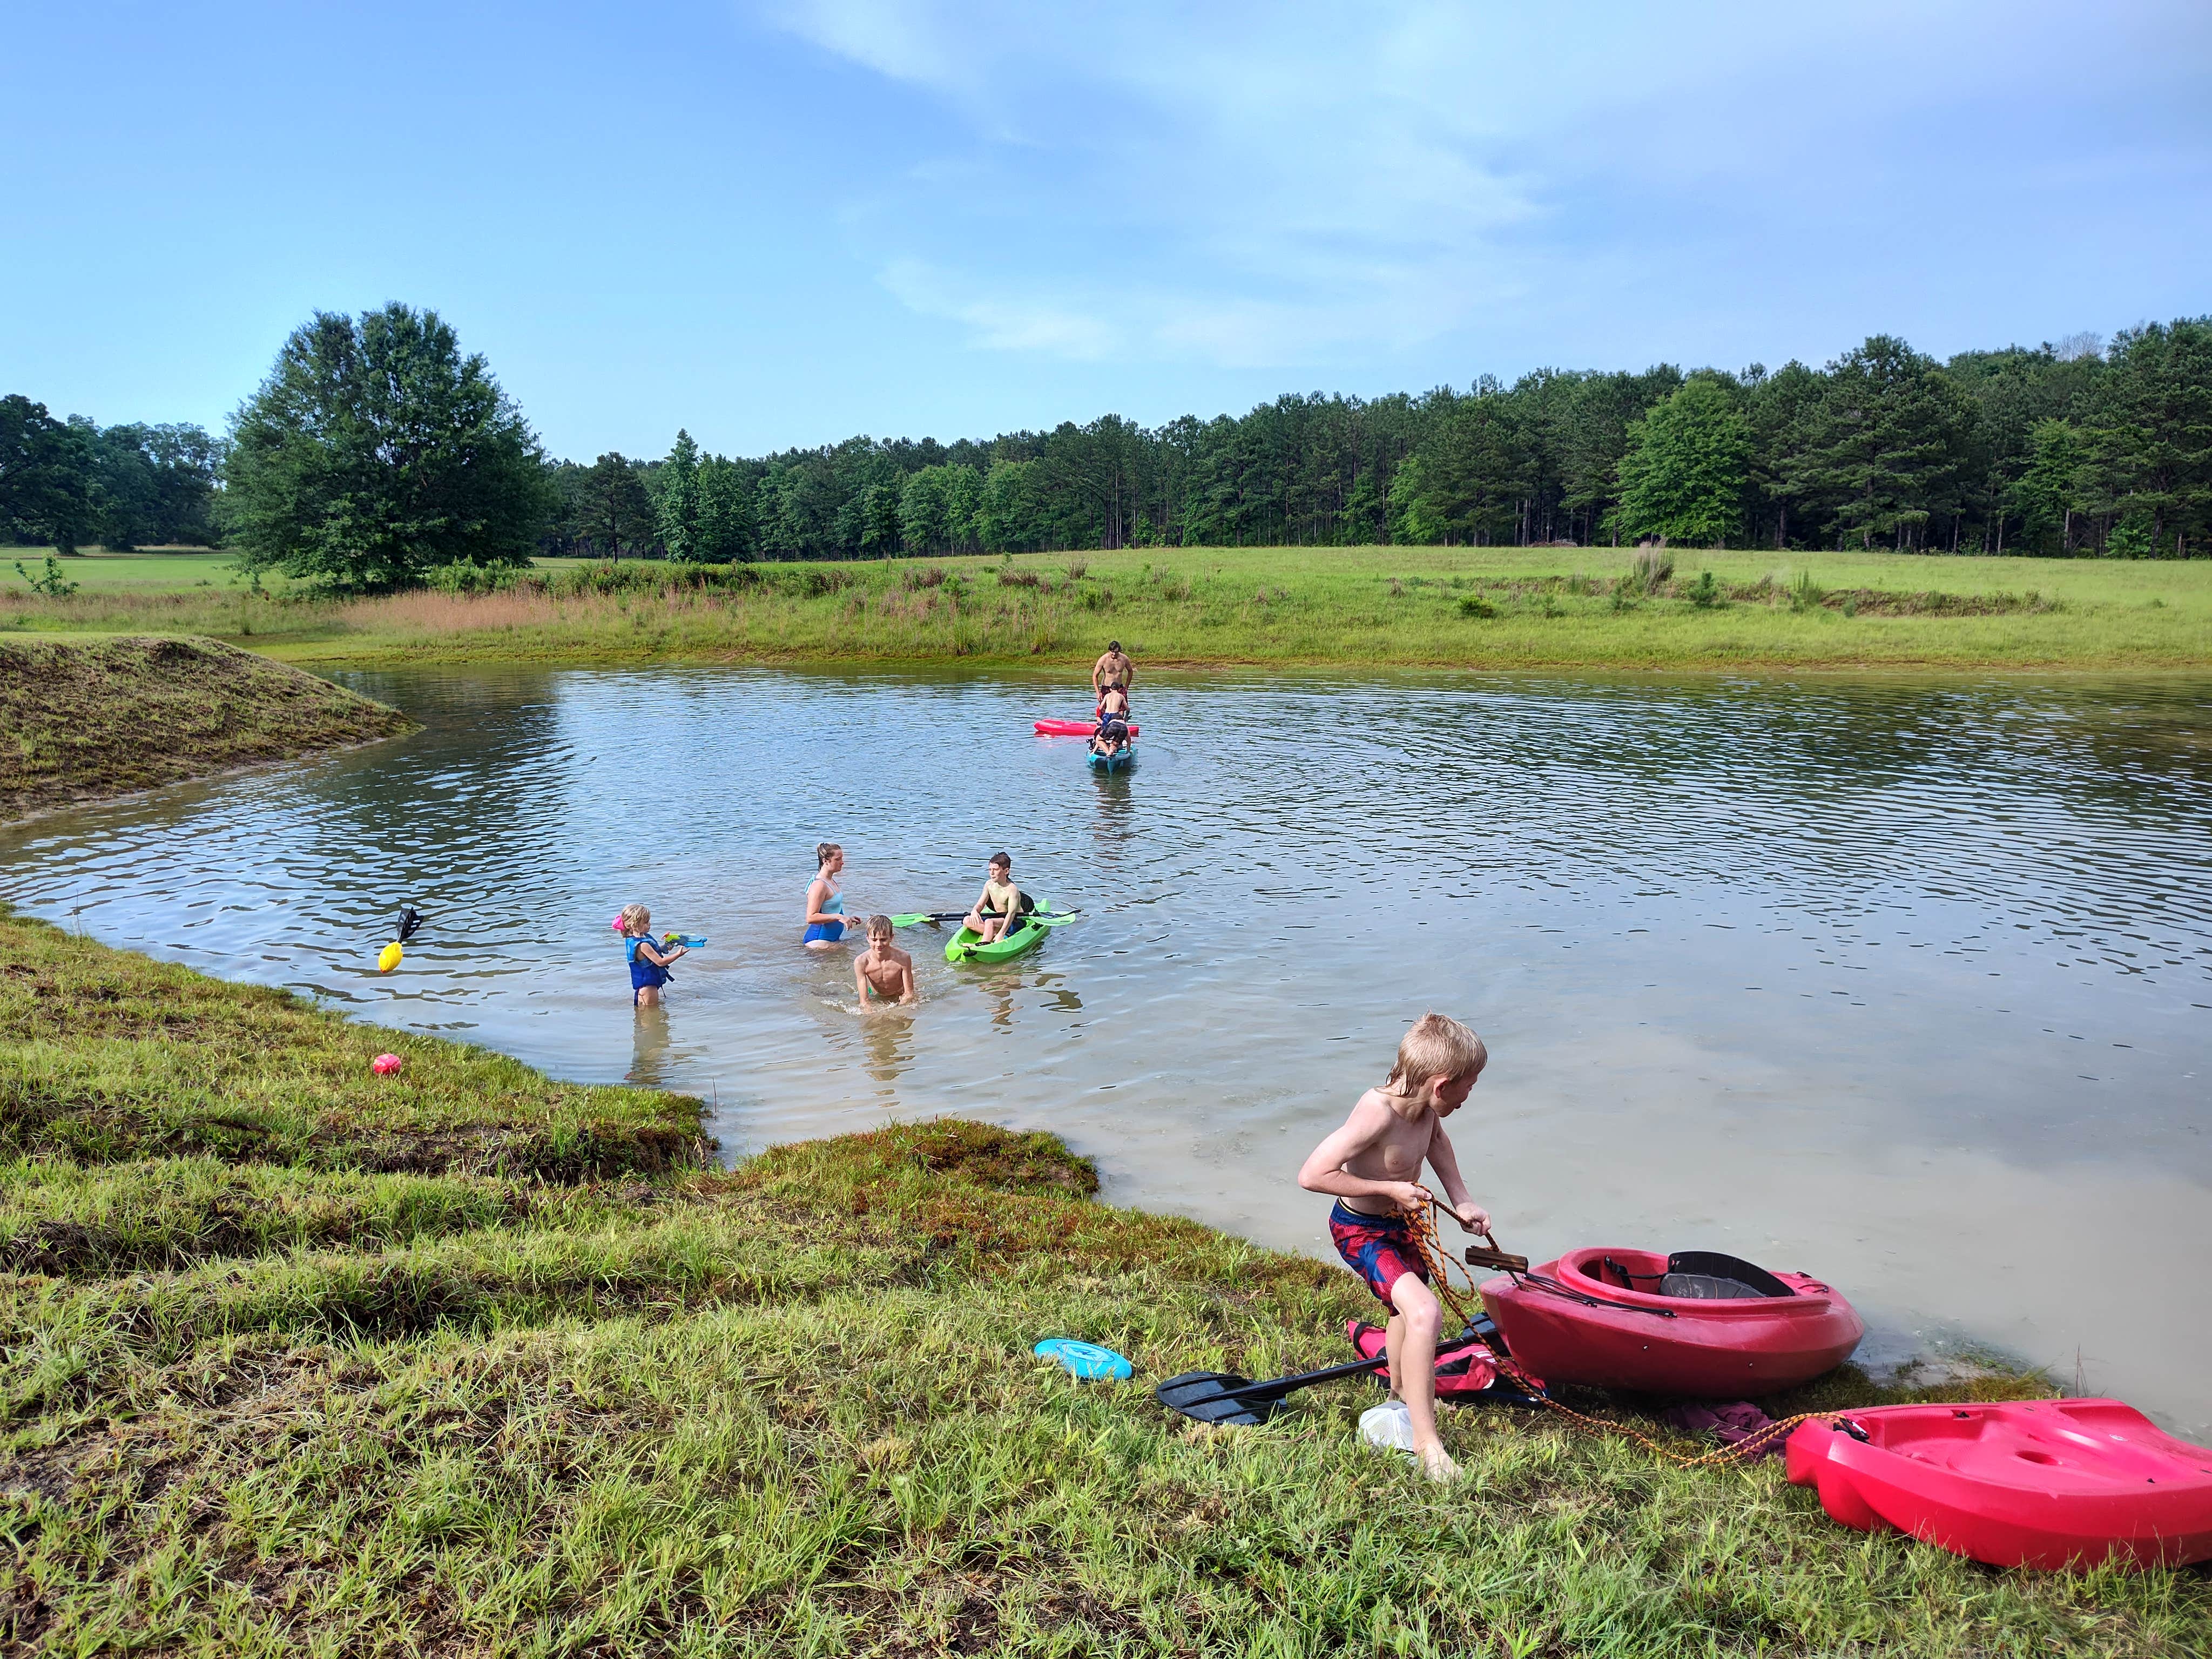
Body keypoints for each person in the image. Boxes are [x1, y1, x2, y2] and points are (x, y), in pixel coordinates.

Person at [1297, 1013, 1492, 1483]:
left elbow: (1437, 1142)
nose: (1471, 1095)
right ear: (1442, 1085)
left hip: (1402, 1224)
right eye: (1470, 1086)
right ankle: (1430, 1448)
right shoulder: (1377, 1112)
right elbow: (1312, 1174)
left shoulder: (1424, 1109)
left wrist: (1462, 1200)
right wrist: (1388, 1190)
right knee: (1425, 1312)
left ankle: (1398, 1397)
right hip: (1361, 1230)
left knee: (1404, 1313)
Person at [617, 903, 687, 1008]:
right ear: (635, 925)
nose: (649, 924)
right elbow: (660, 962)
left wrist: (666, 946)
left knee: (643, 1017)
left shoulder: (634, 939)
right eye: (646, 922)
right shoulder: (643, 945)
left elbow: (652, 953)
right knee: (651, 1018)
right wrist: (678, 955)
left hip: (643, 986)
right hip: (649, 988)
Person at [962, 851, 1032, 944]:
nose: (992, 873)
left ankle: (983, 944)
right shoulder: (989, 885)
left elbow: (1011, 914)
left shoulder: (1012, 889)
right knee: (967, 920)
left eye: (995, 870)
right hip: (998, 918)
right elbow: (980, 904)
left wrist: (1002, 933)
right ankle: (994, 934)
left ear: (1006, 871)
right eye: (990, 869)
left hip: (1014, 921)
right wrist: (975, 911)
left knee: (989, 922)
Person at [853, 914, 918, 1004]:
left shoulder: (903, 958)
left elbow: (909, 993)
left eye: (883, 939)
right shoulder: (861, 962)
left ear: (891, 937)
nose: (879, 944)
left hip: (899, 993)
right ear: (867, 938)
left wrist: (900, 1007)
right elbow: (864, 1001)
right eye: (874, 940)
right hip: (877, 995)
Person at [804, 843, 850, 948]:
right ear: (825, 861)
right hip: (818, 943)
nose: (842, 863)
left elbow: (830, 909)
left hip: (831, 940)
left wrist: (847, 918)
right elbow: (811, 918)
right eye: (838, 859)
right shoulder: (819, 885)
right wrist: (839, 917)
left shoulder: (830, 881)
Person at [1091, 640, 1133, 707]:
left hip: (1119, 688)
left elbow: (1130, 671)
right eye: (1112, 652)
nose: (1114, 654)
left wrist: (1126, 688)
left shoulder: (1124, 659)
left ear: (1119, 651)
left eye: (1116, 652)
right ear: (1109, 651)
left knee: (1121, 710)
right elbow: (1095, 676)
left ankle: (1122, 717)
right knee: (1105, 710)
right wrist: (1098, 692)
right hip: (1106, 688)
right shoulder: (1103, 659)